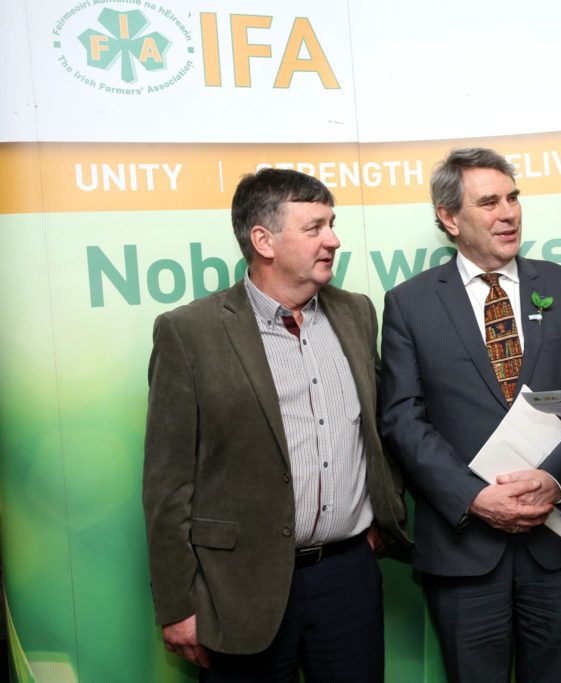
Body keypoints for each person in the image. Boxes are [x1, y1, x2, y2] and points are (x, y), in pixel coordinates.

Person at [142, 168, 408, 682]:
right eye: (314, 228)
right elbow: (167, 484)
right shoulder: (189, 333)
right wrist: (177, 605)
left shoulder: (356, 313)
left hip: (348, 577)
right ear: (263, 240)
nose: (333, 240)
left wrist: (383, 508)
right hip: (240, 587)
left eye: (332, 224)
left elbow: (379, 424)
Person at [380, 148, 561, 683]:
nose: (508, 213)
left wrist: (555, 482)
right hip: (463, 549)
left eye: (513, 198)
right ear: (448, 217)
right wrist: (474, 498)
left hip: (558, 543)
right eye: (489, 202)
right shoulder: (409, 304)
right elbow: (402, 419)